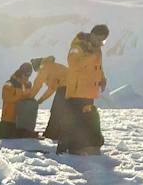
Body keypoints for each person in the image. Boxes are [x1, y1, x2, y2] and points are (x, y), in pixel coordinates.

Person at [58, 24, 108, 154]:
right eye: (98, 39)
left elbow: (98, 66)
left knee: (86, 121)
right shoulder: (78, 47)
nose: (100, 43)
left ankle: (82, 147)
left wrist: (102, 79)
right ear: (92, 35)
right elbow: (73, 64)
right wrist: (90, 56)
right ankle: (66, 150)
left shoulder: (97, 49)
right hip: (76, 91)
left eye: (102, 40)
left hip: (90, 92)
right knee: (72, 121)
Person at [30, 54, 69, 142]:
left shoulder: (45, 67)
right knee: (58, 110)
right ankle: (54, 133)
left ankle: (52, 134)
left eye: (37, 70)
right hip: (68, 87)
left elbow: (38, 83)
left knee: (56, 111)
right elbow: (52, 87)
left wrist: (30, 97)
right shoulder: (51, 67)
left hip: (66, 87)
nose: (38, 72)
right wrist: (42, 99)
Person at [0, 62, 35, 138]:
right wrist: (21, 95)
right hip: (8, 121)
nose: (28, 77)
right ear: (21, 73)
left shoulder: (27, 85)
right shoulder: (9, 84)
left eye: (29, 75)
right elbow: (6, 98)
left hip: (22, 122)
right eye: (26, 75)